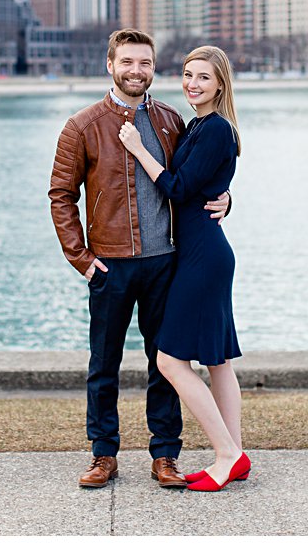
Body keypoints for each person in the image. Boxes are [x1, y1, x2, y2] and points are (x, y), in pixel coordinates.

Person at [48, 28, 232, 490]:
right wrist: (82, 259)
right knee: (103, 363)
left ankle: (165, 455)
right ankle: (103, 454)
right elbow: (61, 196)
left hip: (166, 262)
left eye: (145, 63)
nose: (136, 71)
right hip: (109, 263)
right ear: (110, 65)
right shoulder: (82, 125)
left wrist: (228, 198)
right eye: (127, 62)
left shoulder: (172, 120)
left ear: (153, 68)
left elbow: (194, 179)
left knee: (164, 362)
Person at [119, 44, 247, 491]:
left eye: (204, 78)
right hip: (204, 250)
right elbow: (209, 186)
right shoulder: (200, 125)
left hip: (203, 258)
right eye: (188, 75)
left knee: (170, 360)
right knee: (217, 359)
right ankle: (236, 453)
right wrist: (228, 198)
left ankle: (227, 454)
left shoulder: (215, 130)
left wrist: (137, 148)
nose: (193, 84)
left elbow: (176, 188)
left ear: (220, 85)